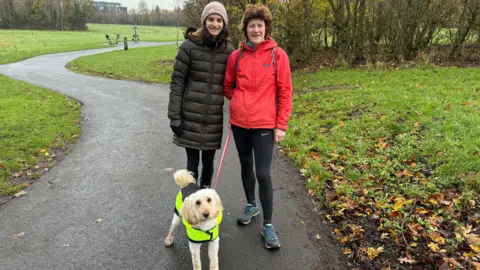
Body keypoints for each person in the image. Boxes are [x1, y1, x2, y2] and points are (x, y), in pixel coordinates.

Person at [223, 4, 293, 249]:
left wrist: (281, 125)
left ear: (266, 29)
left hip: (265, 123)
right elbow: (228, 85)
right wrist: (240, 103)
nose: (255, 30)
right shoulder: (236, 56)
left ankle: (268, 224)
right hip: (240, 123)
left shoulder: (278, 55)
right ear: (245, 29)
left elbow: (285, 92)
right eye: (251, 26)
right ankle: (251, 204)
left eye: (259, 26)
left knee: (263, 172)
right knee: (245, 164)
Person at [168, 1, 234, 189]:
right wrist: (174, 116)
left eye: (219, 20)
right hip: (190, 116)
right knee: (192, 163)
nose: (215, 24)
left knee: (208, 162)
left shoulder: (229, 50)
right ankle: (191, 197)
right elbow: (177, 83)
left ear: (224, 23)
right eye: (211, 19)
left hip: (213, 118)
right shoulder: (189, 47)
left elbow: (235, 82)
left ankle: (205, 194)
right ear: (204, 21)